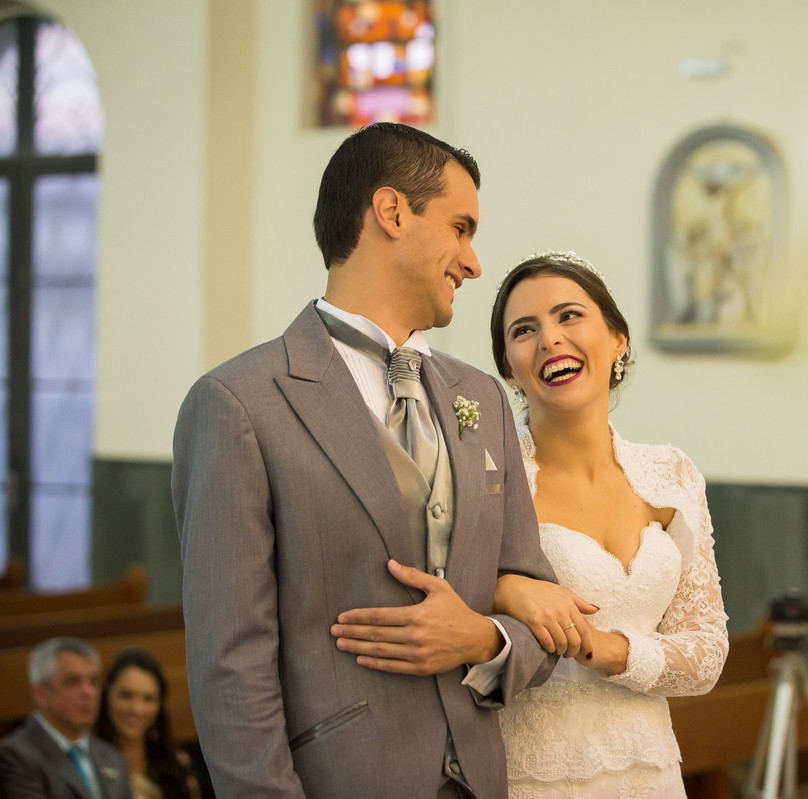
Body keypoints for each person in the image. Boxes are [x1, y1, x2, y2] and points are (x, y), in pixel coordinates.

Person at [172, 122, 557, 799]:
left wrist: (482, 639)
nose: (473, 262)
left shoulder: (483, 399)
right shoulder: (239, 403)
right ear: (393, 212)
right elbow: (229, 663)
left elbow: (537, 610)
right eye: (461, 228)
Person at [489, 251, 729, 796]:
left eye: (568, 315)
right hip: (533, 775)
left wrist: (608, 647)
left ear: (617, 338)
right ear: (510, 368)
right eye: (524, 330)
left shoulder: (673, 474)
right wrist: (504, 590)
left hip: (652, 774)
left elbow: (707, 652)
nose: (550, 339)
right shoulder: (494, 480)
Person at [0, 637, 133, 799]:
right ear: (41, 693)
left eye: (93, 681)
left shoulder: (111, 756)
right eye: (73, 681)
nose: (88, 692)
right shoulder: (14, 757)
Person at [94, 648, 197, 799]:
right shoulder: (86, 760)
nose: (137, 709)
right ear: (107, 695)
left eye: (148, 698)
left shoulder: (177, 764)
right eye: (126, 695)